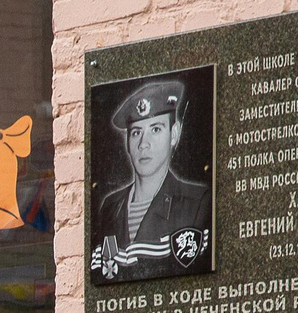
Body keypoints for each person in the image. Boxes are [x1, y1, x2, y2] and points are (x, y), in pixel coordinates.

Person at [90, 77, 210, 284]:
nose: (143, 144)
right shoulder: (110, 207)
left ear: (174, 134)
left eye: (155, 129)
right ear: (127, 142)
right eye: (136, 132)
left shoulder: (196, 202)